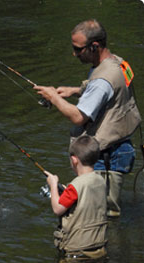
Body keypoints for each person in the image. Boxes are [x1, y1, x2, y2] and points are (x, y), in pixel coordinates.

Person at [34, 19, 141, 217]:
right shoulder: (116, 62)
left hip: (108, 156)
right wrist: (74, 91)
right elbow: (109, 91)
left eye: (78, 49)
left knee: (102, 215)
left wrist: (54, 97)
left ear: (94, 46)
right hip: (119, 149)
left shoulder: (102, 80)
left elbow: (78, 117)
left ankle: (110, 248)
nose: (74, 54)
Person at [45, 135, 107, 259]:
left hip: (78, 250)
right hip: (99, 245)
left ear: (74, 160)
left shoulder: (74, 187)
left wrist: (53, 185)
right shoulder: (101, 180)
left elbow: (57, 209)